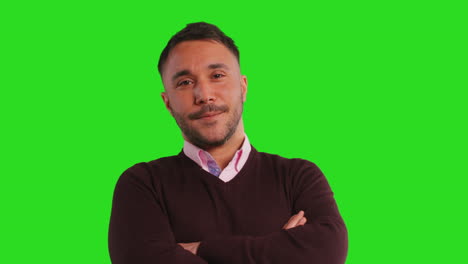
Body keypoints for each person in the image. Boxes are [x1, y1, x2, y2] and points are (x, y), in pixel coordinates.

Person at [108, 22, 348, 264]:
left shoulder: (298, 177)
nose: (204, 95)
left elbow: (329, 252)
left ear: (243, 87)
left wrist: (202, 249)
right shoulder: (142, 185)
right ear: (167, 102)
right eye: (185, 83)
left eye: (217, 76)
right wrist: (280, 249)